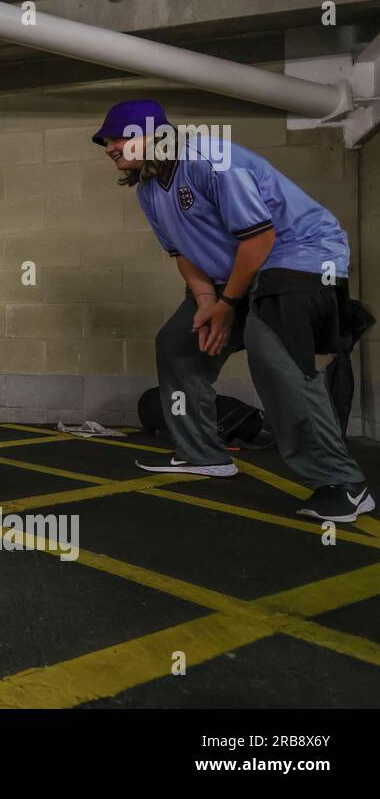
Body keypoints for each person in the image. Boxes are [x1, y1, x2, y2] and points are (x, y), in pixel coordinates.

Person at [97, 99, 373, 523]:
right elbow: (182, 253)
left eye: (116, 138)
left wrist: (227, 306)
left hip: (302, 257)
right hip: (236, 274)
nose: (109, 148)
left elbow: (259, 239)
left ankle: (344, 484)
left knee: (272, 350)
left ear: (149, 135)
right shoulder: (150, 190)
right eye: (106, 142)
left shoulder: (211, 158)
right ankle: (203, 453)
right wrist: (208, 302)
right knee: (178, 343)